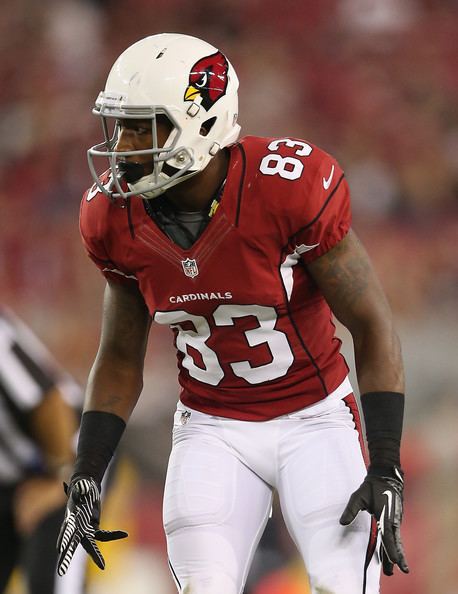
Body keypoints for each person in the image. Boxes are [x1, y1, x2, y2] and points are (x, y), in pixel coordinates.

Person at [56, 33, 409, 593]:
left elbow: (371, 325)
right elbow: (120, 357)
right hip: (212, 426)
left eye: (143, 126)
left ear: (200, 122)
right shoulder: (112, 218)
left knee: (341, 584)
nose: (122, 144)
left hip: (315, 417)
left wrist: (386, 462)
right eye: (120, 126)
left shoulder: (287, 191)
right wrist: (88, 470)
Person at [0, 306, 87, 594]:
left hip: (70, 455)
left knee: (49, 581)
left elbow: (50, 403)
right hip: (13, 478)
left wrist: (58, 478)